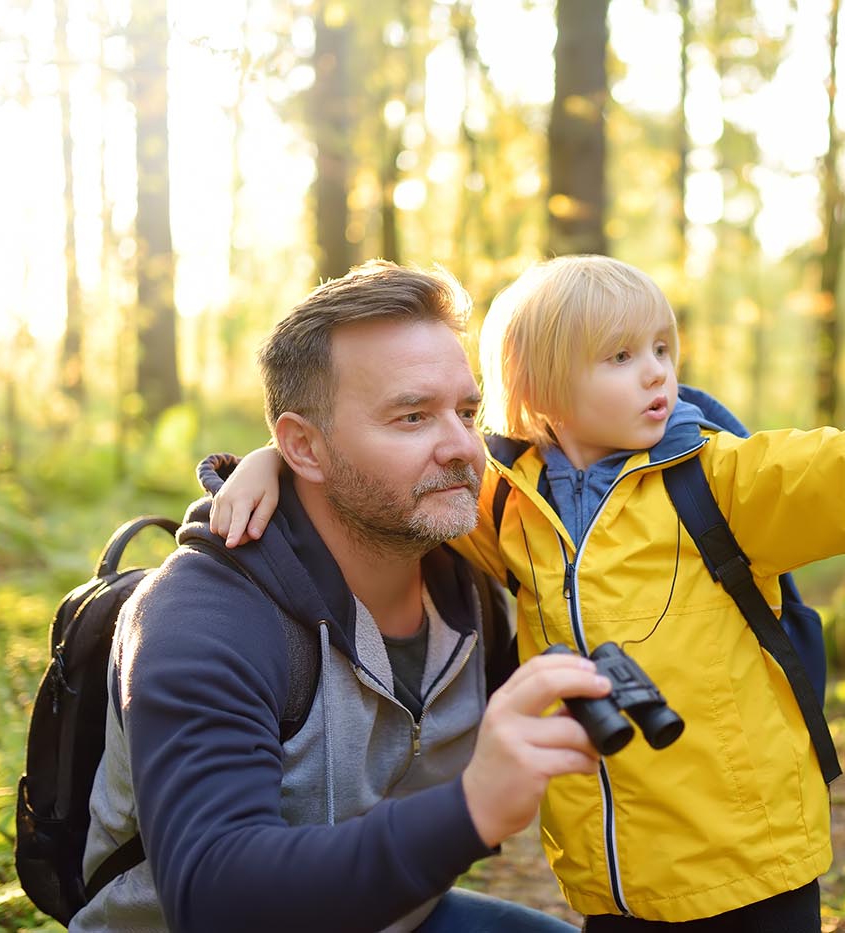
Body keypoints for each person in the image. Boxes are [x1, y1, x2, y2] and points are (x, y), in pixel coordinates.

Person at [214, 255, 845, 930]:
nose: (657, 371)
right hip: (612, 877)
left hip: (749, 864)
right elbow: (387, 474)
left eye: (662, 347)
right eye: (620, 356)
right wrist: (271, 463)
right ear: (537, 388)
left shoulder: (718, 481)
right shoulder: (502, 501)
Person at [73, 261, 615, 933]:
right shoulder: (204, 619)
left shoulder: (470, 574)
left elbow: (624, 429)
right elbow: (214, 894)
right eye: (412, 416)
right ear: (303, 447)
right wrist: (469, 809)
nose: (463, 448)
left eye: (467, 412)